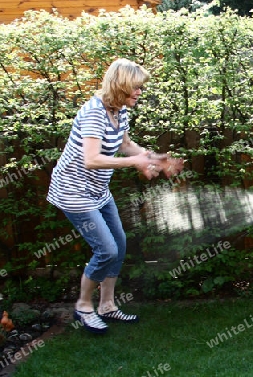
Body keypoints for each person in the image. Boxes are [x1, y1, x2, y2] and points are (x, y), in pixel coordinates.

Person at [47, 58, 183, 334]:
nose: (139, 92)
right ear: (120, 85)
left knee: (119, 245)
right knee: (105, 249)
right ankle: (83, 306)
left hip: (98, 190)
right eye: (135, 87)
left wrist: (156, 159)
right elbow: (92, 159)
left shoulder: (119, 111)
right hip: (74, 192)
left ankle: (107, 305)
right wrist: (136, 163)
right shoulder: (94, 113)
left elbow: (125, 144)